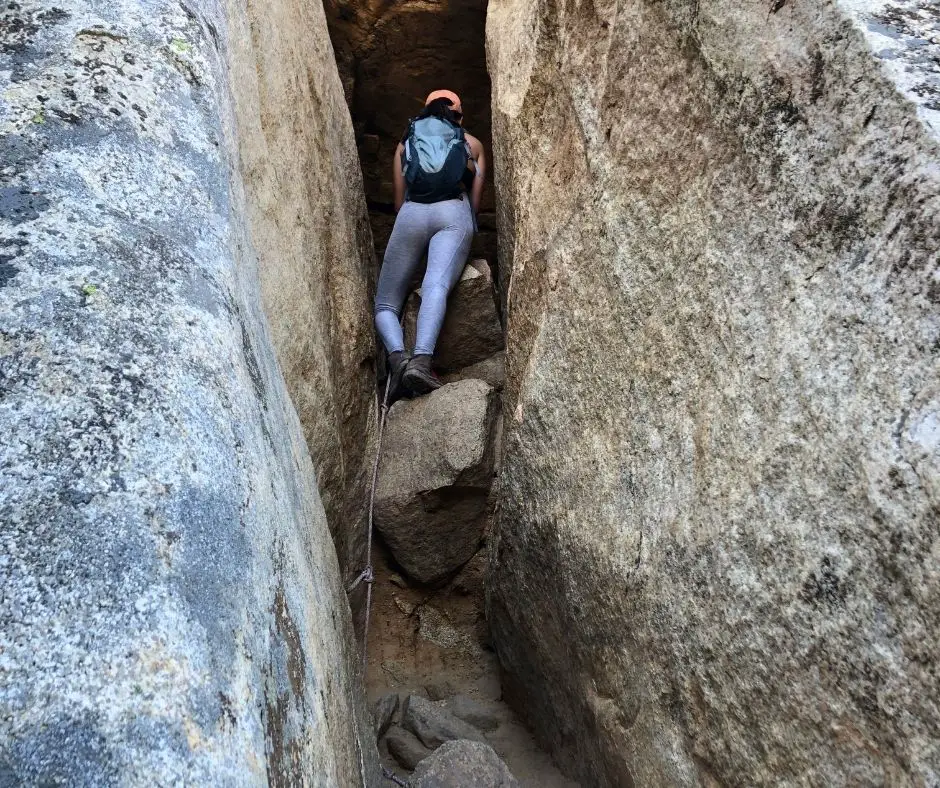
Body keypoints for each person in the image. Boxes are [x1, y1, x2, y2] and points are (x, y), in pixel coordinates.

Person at [374, 89, 487, 399]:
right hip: (452, 212)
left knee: (385, 305)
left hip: (411, 215)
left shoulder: (404, 144)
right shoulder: (472, 144)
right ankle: (422, 361)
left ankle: (398, 359)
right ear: (458, 117)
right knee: (435, 285)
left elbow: (399, 202)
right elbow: (475, 205)